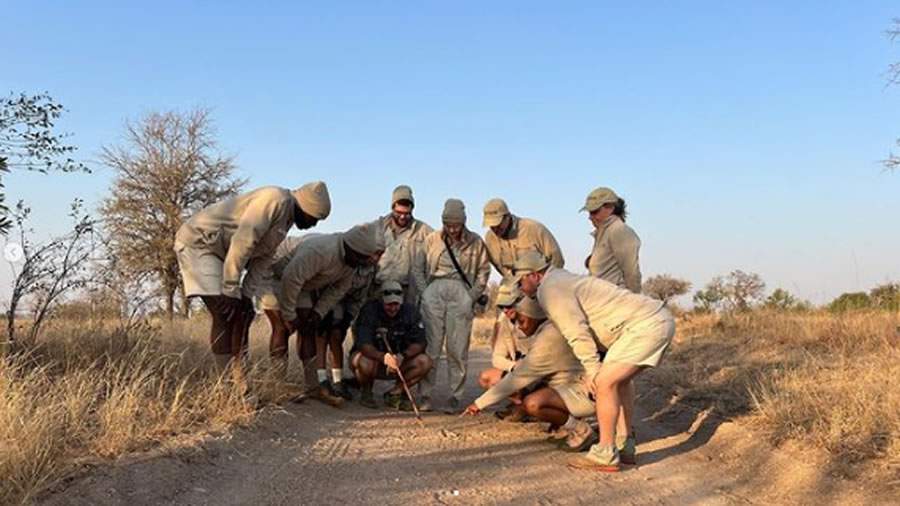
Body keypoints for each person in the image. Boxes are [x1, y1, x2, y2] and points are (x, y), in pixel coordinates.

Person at [513, 251, 675, 472]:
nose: (520, 288)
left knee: (604, 382)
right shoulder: (560, 278)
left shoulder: (549, 290)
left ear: (534, 276)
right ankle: (625, 445)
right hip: (652, 320)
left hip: (645, 325)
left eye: (520, 281)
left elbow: (575, 331)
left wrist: (591, 368)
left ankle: (605, 453)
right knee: (620, 382)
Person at [174, 182, 331, 371]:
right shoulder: (275, 200)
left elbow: (264, 257)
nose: (313, 224)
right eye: (313, 218)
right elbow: (244, 241)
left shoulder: (286, 218)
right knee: (225, 312)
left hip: (222, 252)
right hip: (200, 243)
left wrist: (247, 295)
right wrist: (230, 288)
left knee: (241, 311)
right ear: (305, 207)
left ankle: (239, 378)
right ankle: (226, 385)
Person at [264, 223, 384, 406]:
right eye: (364, 258)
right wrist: (289, 315)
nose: (368, 262)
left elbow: (337, 291)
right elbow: (290, 277)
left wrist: (318, 314)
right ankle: (275, 387)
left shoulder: (351, 262)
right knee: (282, 327)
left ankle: (313, 387)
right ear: (354, 250)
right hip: (274, 272)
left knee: (308, 327)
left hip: (302, 281)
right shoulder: (321, 251)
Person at [463, 296, 597, 452]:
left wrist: (478, 404)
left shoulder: (549, 338)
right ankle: (560, 424)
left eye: (522, 320)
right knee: (512, 385)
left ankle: (580, 430)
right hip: (558, 385)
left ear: (534, 316)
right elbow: (500, 359)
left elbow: (518, 378)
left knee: (533, 403)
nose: (518, 326)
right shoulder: (547, 328)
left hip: (579, 390)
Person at [414, 198, 490, 412]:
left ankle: (455, 396)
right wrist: (425, 292)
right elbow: (417, 268)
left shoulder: (475, 242)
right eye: (448, 224)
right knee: (432, 347)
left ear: (464, 222)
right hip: (434, 290)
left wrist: (472, 296)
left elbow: (483, 271)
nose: (453, 229)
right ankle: (425, 395)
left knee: (458, 349)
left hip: (461, 293)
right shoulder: (431, 240)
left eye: (456, 225)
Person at [351, 281, 433, 410]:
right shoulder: (369, 311)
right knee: (363, 361)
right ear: (381, 301)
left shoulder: (411, 312)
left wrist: (402, 356)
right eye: (389, 304)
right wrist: (384, 357)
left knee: (425, 361)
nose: (393, 308)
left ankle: (396, 392)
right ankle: (366, 392)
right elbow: (363, 344)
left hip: (400, 362)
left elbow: (420, 342)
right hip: (376, 361)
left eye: (396, 304)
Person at [477, 279, 533, 421]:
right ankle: (522, 406)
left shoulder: (537, 318)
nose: (506, 310)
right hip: (520, 369)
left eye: (509, 305)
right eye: (502, 306)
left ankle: (529, 407)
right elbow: (497, 358)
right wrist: (514, 367)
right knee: (486, 378)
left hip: (540, 371)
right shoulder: (506, 324)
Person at [374, 185, 433, 306]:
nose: (402, 217)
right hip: (376, 291)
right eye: (399, 212)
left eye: (407, 213)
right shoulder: (377, 227)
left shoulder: (424, 231)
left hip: (407, 293)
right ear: (392, 208)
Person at [482, 198, 565, 277]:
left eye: (498, 224)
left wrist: (546, 283)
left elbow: (557, 259)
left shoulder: (534, 228)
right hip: (516, 285)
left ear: (507, 217)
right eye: (491, 226)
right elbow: (501, 269)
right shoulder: (490, 239)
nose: (495, 229)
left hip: (543, 283)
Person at [581, 187, 642, 294]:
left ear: (610, 207)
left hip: (615, 302)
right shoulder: (604, 232)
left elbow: (631, 273)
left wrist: (634, 301)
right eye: (589, 212)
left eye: (594, 211)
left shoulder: (619, 231)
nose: (590, 217)